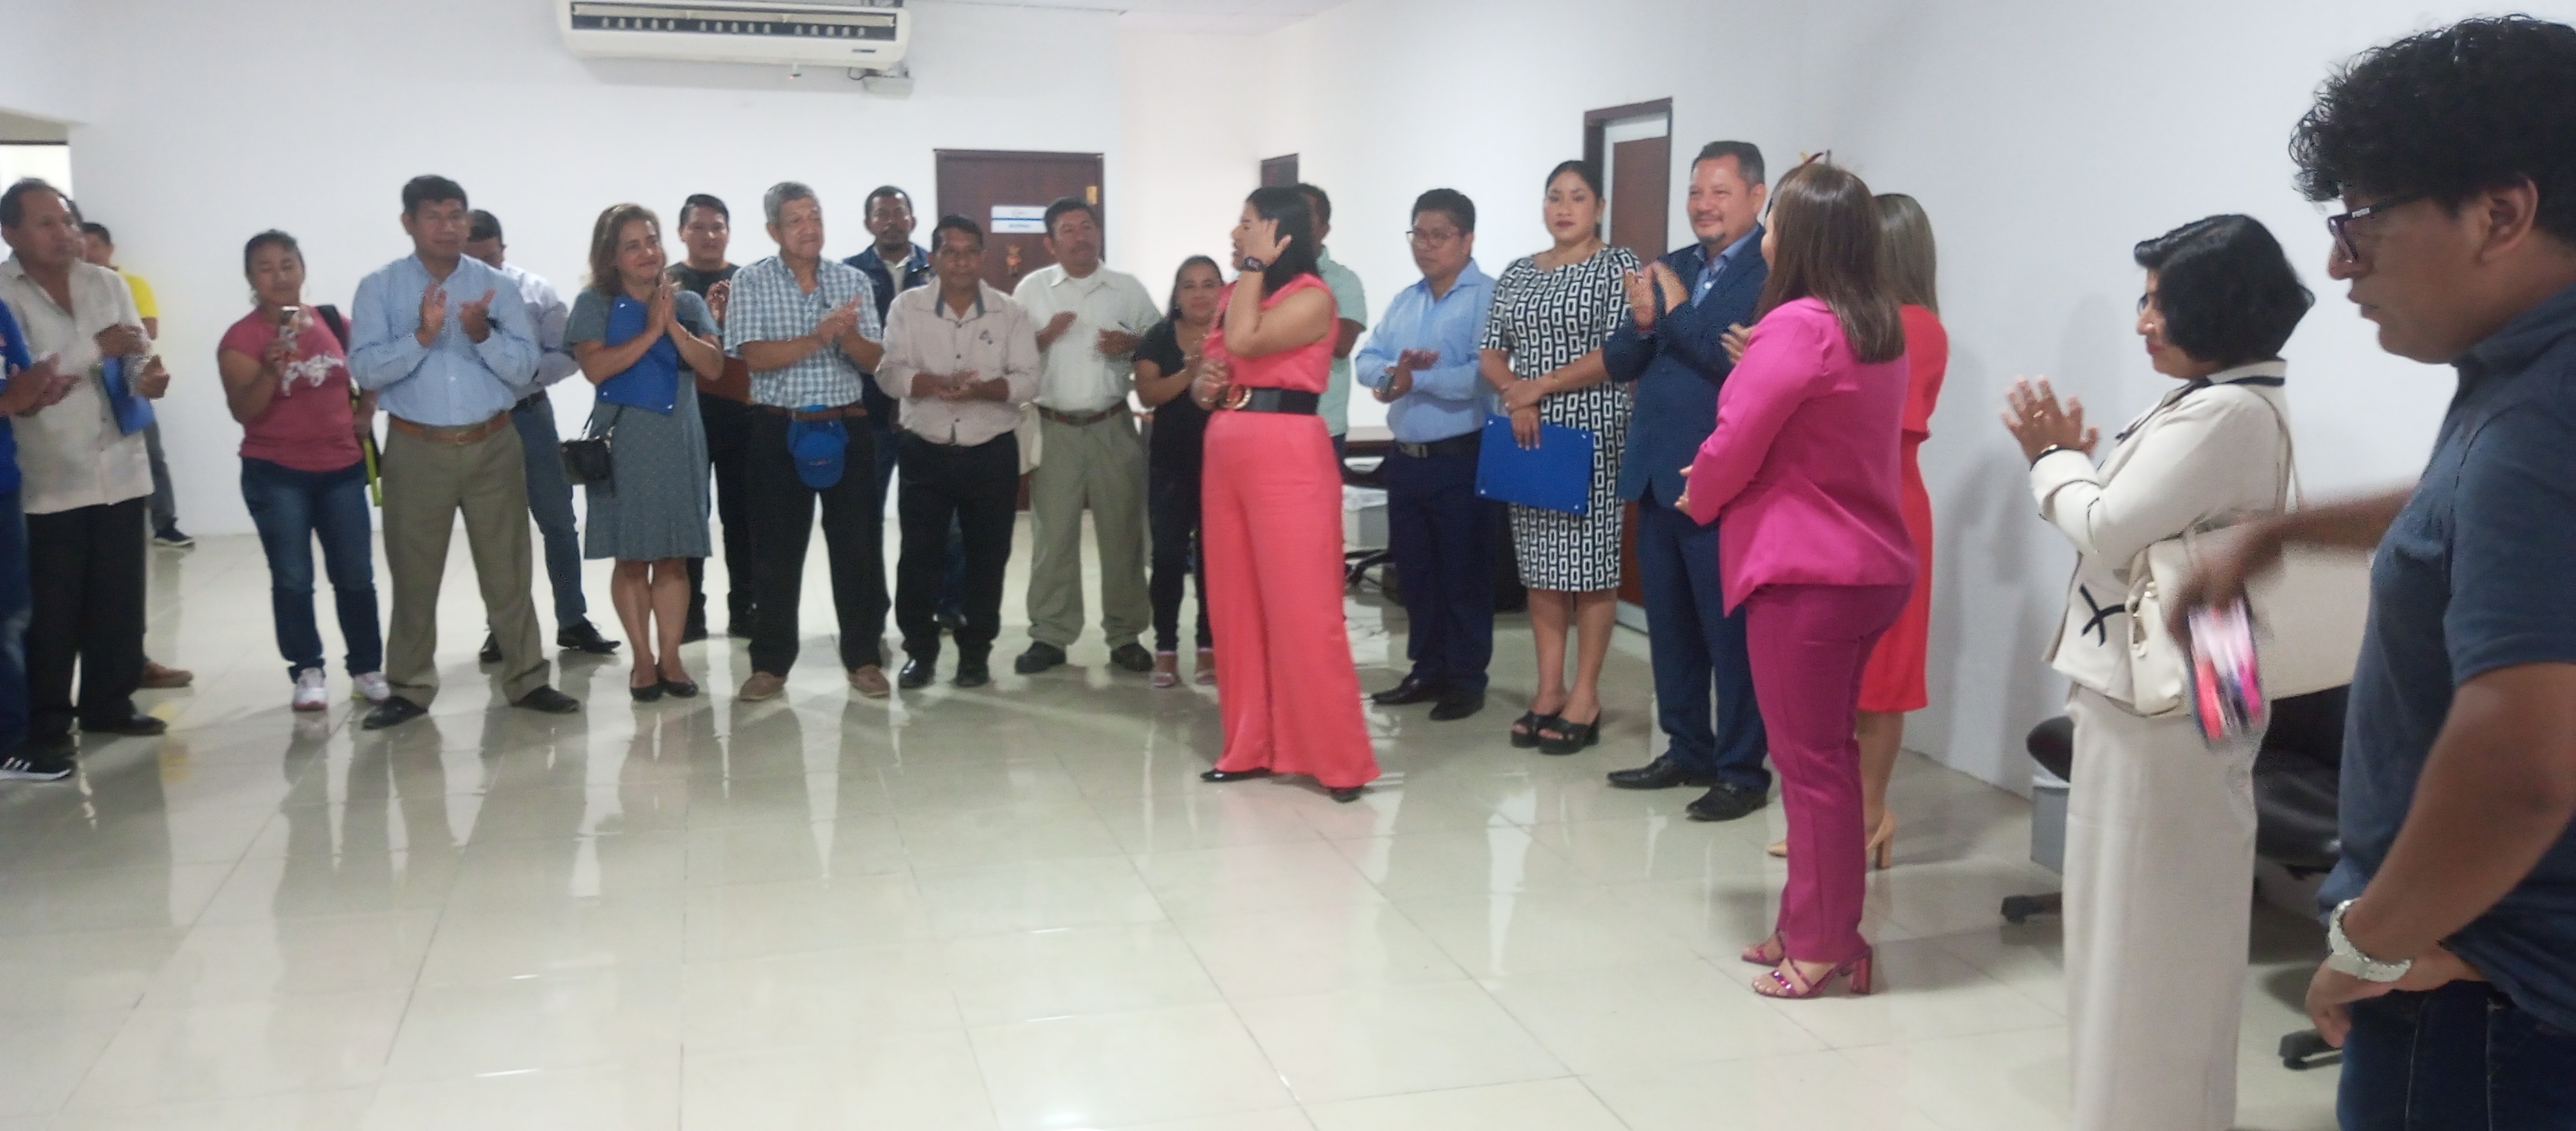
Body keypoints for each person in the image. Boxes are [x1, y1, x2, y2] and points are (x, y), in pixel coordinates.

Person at [2172, 16, 2576, 1127]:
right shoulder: (2526, 388)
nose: (2341, 264)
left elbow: (2522, 765)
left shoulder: (2541, 421)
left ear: (2500, 214)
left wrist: (2369, 945)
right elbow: (2473, 509)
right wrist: (2287, 533)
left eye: (2362, 223)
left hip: (2489, 995)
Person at [2003, 214, 2310, 1127]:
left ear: (2219, 309)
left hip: (2166, 704)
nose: (2143, 322)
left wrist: (2053, 460)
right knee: (2141, 933)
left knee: (2148, 941)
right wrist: (2078, 470)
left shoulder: (2227, 411)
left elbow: (2107, 528)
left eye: (2159, 304)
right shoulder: (2219, 400)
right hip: (2188, 677)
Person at [1681, 160, 1913, 1001]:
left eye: (1774, 220)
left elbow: (1736, 440)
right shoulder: (1877, 326)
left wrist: (1699, 493)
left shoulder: (1797, 327)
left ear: (1801, 237)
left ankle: (1823, 942)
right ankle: (1810, 921)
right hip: (1866, 565)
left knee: (1810, 766)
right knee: (1828, 760)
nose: (1766, 234)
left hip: (1806, 571)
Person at [348, 174, 581, 729]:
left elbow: (524, 368)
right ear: (409, 223)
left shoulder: (494, 285)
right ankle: (409, 686)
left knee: (508, 571)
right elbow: (365, 369)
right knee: (414, 573)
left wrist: (481, 334)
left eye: (456, 215)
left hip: (492, 442)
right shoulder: (380, 288)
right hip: (417, 446)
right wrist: (422, 337)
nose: (448, 226)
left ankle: (527, 679)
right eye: (434, 216)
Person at [1766, 193, 1948, 862]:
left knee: (1881, 680)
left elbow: (1870, 418)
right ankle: (1841, 817)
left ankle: (1869, 815)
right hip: (1856, 500)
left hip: (1889, 505)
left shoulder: (1912, 327)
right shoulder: (1867, 323)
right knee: (1839, 679)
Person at [1600, 141, 1776, 819]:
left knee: (1729, 635)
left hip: (1721, 480)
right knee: (1670, 628)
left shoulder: (1772, 274)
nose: (1704, 205)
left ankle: (1741, 772)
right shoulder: (1673, 265)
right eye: (1696, 192)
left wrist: (1675, 314)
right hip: (1655, 474)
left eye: (1720, 192)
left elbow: (1738, 364)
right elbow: (1622, 360)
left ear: (1756, 197)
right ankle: (1686, 749)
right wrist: (1646, 322)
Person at [1194, 186, 1377, 802]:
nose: (1236, 232)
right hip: (1227, 448)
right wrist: (1205, 386)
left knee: (1303, 609)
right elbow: (1218, 368)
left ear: (1278, 233)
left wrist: (1252, 266)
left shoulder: (1313, 297)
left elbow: (1247, 342)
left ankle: (1338, 759)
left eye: (1247, 223)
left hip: (1288, 453)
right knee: (1235, 604)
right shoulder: (1235, 293)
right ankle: (1250, 744)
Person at [0, 178, 172, 748]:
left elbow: (133, 355)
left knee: (118, 598)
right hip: (48, 473)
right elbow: (29, 381)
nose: (65, 233)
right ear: (10, 233)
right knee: (52, 608)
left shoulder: (106, 283)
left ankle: (110, 703)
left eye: (69, 221)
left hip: (119, 465)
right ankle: (48, 718)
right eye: (47, 223)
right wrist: (98, 347)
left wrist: (147, 376)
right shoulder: (4, 295)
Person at [1478, 160, 1641, 753]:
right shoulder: (1519, 272)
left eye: (1577, 197)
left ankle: (1586, 696)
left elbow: (1621, 352)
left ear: (1599, 206)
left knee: (1590, 569)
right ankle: (1548, 690)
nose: (1564, 208)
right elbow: (1491, 350)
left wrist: (1538, 388)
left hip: (1592, 427)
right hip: (1528, 432)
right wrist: (1514, 392)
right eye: (1554, 197)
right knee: (1541, 567)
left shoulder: (1618, 266)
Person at [722, 181, 891, 701]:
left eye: (814, 216)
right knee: (776, 552)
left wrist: (847, 336)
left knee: (858, 549)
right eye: (795, 220)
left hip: (847, 425)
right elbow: (754, 356)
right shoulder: (751, 281)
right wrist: (818, 336)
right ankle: (771, 665)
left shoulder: (851, 280)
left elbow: (876, 361)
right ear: (774, 230)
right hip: (779, 427)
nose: (809, 228)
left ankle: (863, 658)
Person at [213, 230, 390, 712]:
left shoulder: (333, 322)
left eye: (287, 264)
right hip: (276, 473)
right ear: (251, 278)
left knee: (355, 575)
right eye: (266, 267)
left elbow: (372, 368)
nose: (279, 276)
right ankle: (307, 669)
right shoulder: (241, 339)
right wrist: (269, 370)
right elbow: (244, 411)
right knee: (293, 577)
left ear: (303, 269)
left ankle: (367, 668)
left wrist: (365, 412)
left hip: (342, 468)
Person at [568, 204, 724, 702]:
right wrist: (651, 332)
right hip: (626, 441)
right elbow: (596, 370)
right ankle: (642, 659)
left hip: (680, 439)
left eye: (651, 241)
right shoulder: (593, 303)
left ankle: (671, 658)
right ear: (611, 256)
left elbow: (713, 367)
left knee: (674, 558)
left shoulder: (688, 301)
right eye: (632, 245)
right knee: (632, 558)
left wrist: (672, 324)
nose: (646, 252)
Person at [878, 215, 1038, 690]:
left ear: (983, 258)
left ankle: (975, 654)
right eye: (951, 252)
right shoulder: (908, 307)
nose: (961, 261)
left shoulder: (1010, 312)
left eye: (970, 252)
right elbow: (889, 373)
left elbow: (1029, 380)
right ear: (933, 258)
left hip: (990, 452)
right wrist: (933, 383)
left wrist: (984, 390)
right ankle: (920, 653)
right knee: (918, 557)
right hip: (925, 451)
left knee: (987, 557)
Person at [1357, 188, 1499, 721]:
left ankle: (1466, 678)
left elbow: (1484, 374)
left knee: (1463, 573)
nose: (1426, 245)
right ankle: (1427, 669)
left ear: (1467, 239)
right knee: (1416, 573)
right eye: (1419, 234)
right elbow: (1367, 359)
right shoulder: (1405, 300)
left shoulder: (1487, 297)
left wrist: (1417, 379)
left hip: (1461, 457)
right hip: (1406, 459)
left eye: (1440, 235)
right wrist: (1392, 376)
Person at [1012, 196, 1163, 676]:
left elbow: (1164, 345)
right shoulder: (1032, 290)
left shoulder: (1127, 289)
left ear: (1098, 233)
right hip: (1054, 427)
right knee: (1053, 537)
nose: (1081, 237)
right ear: (1050, 243)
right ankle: (1050, 635)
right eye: (1068, 230)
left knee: (1122, 535)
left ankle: (1126, 634)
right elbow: (1007, 356)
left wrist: (1134, 344)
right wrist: (1043, 337)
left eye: (1087, 227)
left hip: (1113, 425)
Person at [465, 209, 619, 662]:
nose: (484, 269)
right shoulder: (444, 301)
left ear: (503, 249)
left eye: (491, 258)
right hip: (477, 424)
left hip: (530, 415)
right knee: (496, 530)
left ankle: (573, 620)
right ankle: (502, 627)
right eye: (473, 261)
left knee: (558, 521)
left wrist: (526, 372)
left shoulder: (536, 292)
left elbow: (567, 354)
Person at [844, 185, 965, 635]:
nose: (891, 220)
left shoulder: (937, 270)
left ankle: (945, 605)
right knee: (864, 520)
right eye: (882, 214)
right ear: (868, 223)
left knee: (940, 520)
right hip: (869, 416)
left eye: (899, 212)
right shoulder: (849, 275)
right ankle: (870, 610)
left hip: (929, 410)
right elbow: (851, 346)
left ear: (913, 219)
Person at [1132, 257, 1223, 689]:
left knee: (1214, 561)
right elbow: (1148, 394)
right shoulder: (1159, 336)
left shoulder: (1236, 334)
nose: (1199, 293)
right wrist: (1190, 372)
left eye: (1208, 284)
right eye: (1189, 285)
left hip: (1224, 466)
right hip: (1171, 465)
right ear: (1177, 294)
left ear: (1223, 290)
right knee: (1168, 558)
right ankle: (1165, 649)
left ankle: (1209, 646)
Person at [668, 193, 753, 641]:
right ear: (682, 232)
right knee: (690, 517)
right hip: (685, 415)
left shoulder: (748, 281)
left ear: (728, 232)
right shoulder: (666, 284)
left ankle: (745, 609)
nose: (708, 235)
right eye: (698, 227)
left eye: (717, 226)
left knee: (743, 518)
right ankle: (690, 613)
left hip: (741, 415)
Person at [78, 221, 190, 551]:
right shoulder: (72, 289)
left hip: (130, 381)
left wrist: (113, 339)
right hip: (85, 388)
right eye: (83, 245)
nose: (89, 252)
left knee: (151, 455)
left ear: (110, 249)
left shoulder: (128, 284)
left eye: (96, 245)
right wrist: (106, 340)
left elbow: (148, 330)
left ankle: (165, 525)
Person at [0, 293, 75, 780]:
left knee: (9, 617)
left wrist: (37, 396)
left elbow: (18, 390)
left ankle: (11, 740)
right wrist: (12, 400)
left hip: (3, 483)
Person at [1293, 184, 1368, 459]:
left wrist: (1298, 296)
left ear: (1324, 228)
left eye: (1305, 216)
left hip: (1323, 424)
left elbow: (1342, 344)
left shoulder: (1343, 281)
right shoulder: (1260, 278)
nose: (1296, 224)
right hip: (1268, 419)